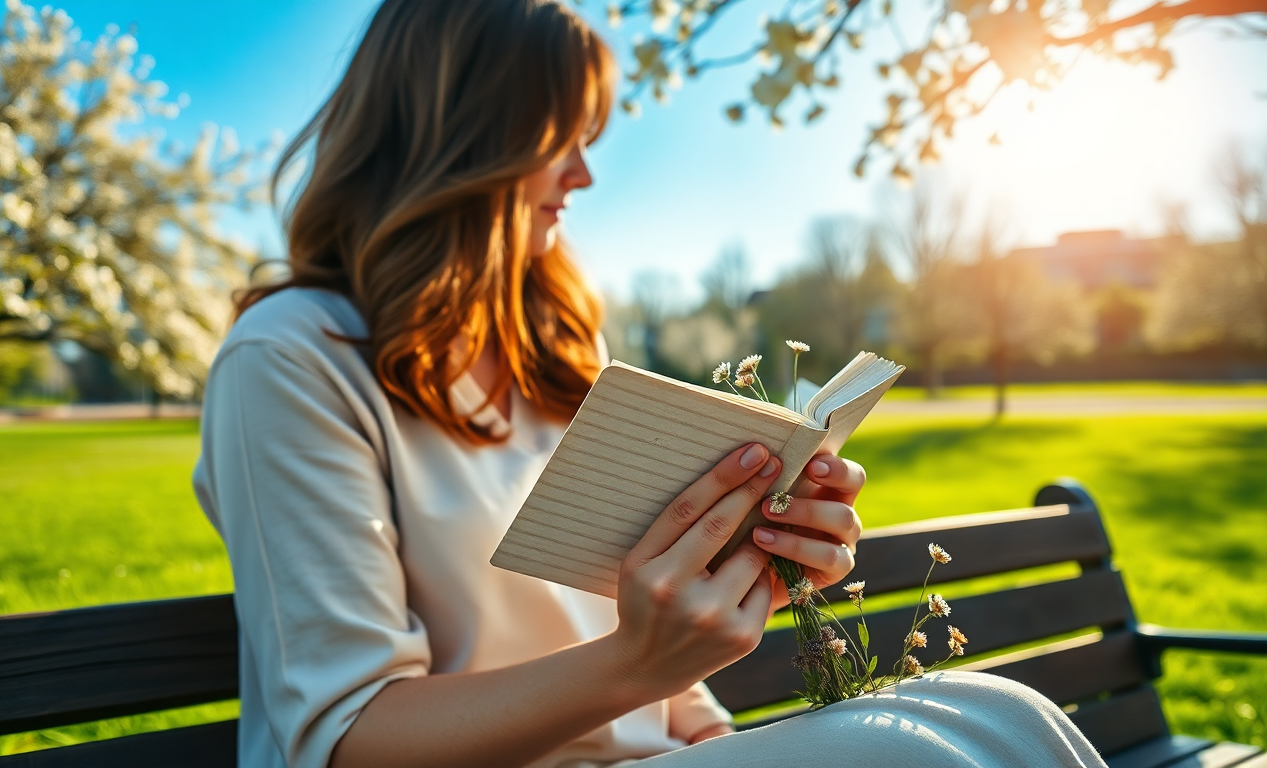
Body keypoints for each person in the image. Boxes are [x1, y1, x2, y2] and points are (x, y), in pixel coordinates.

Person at [192, 1, 1107, 766]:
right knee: (942, 748)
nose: (583, 174)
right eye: (560, 138)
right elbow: (342, 736)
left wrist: (716, 671)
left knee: (993, 716)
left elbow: (614, 635)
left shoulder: (550, 353)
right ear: (461, 135)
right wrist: (641, 662)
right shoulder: (292, 358)